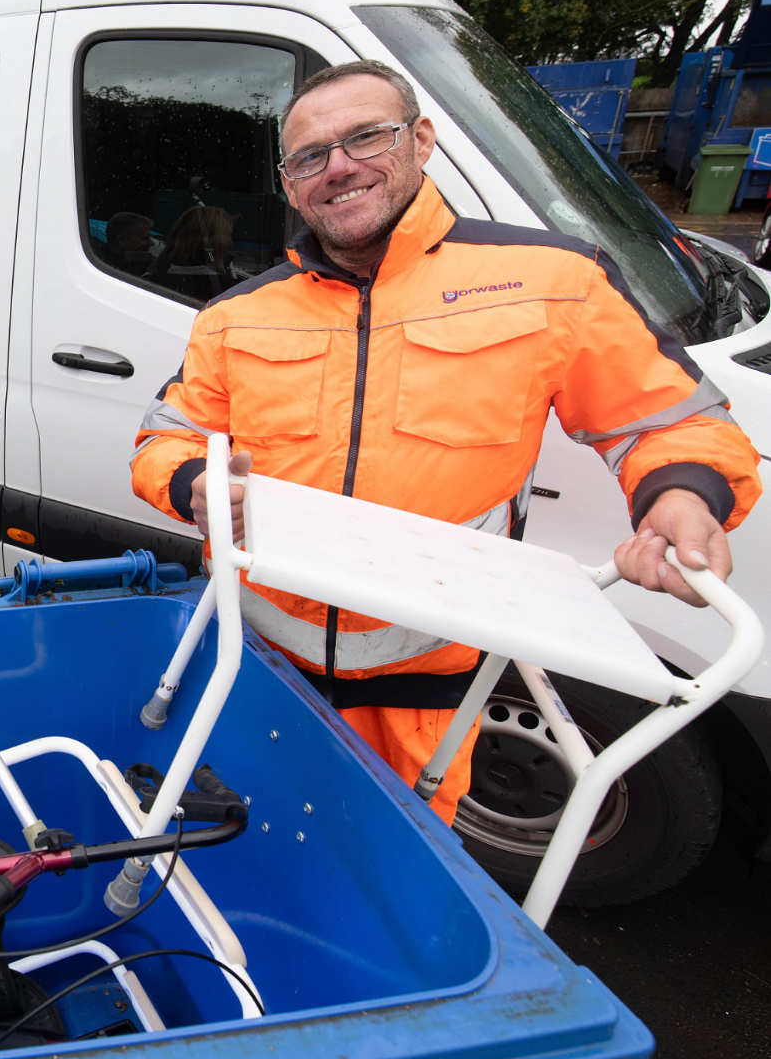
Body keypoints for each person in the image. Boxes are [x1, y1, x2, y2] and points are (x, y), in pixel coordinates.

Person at [131, 59, 762, 824]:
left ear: (421, 140)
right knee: (247, 867)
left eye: (366, 136)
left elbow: (671, 421)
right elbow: (163, 439)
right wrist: (192, 480)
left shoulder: (551, 280)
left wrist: (682, 497)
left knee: (391, 896)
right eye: (309, 156)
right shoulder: (237, 314)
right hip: (251, 672)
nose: (339, 167)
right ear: (291, 184)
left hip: (425, 703)